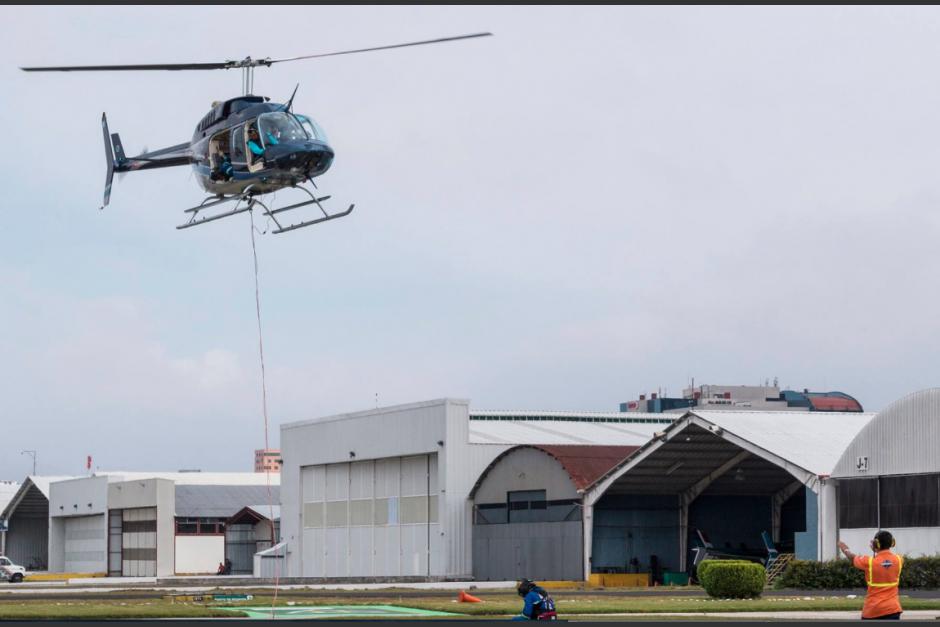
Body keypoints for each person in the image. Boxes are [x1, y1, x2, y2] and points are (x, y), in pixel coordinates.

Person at [838, 531, 904, 620]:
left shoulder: (869, 562)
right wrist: (876, 548)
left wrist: (845, 550)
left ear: (876, 544)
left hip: (873, 610)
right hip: (893, 609)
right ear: (892, 543)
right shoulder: (899, 559)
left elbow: (853, 558)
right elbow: (886, 563)